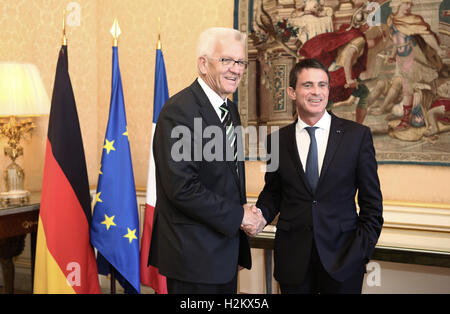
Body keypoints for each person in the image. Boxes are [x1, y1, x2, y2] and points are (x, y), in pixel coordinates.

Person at [148, 27, 266, 294]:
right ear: (203, 64)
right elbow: (182, 188)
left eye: (240, 62)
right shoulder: (179, 112)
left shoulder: (230, 110)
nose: (236, 70)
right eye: (226, 60)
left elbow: (226, 179)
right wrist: (239, 216)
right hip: (193, 257)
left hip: (223, 252)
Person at [255, 58, 383, 294]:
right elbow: (273, 193)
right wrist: (259, 214)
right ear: (292, 92)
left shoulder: (357, 136)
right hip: (294, 262)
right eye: (308, 85)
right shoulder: (276, 141)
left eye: (322, 85)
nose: (316, 92)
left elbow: (372, 205)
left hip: (344, 262)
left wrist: (359, 253)